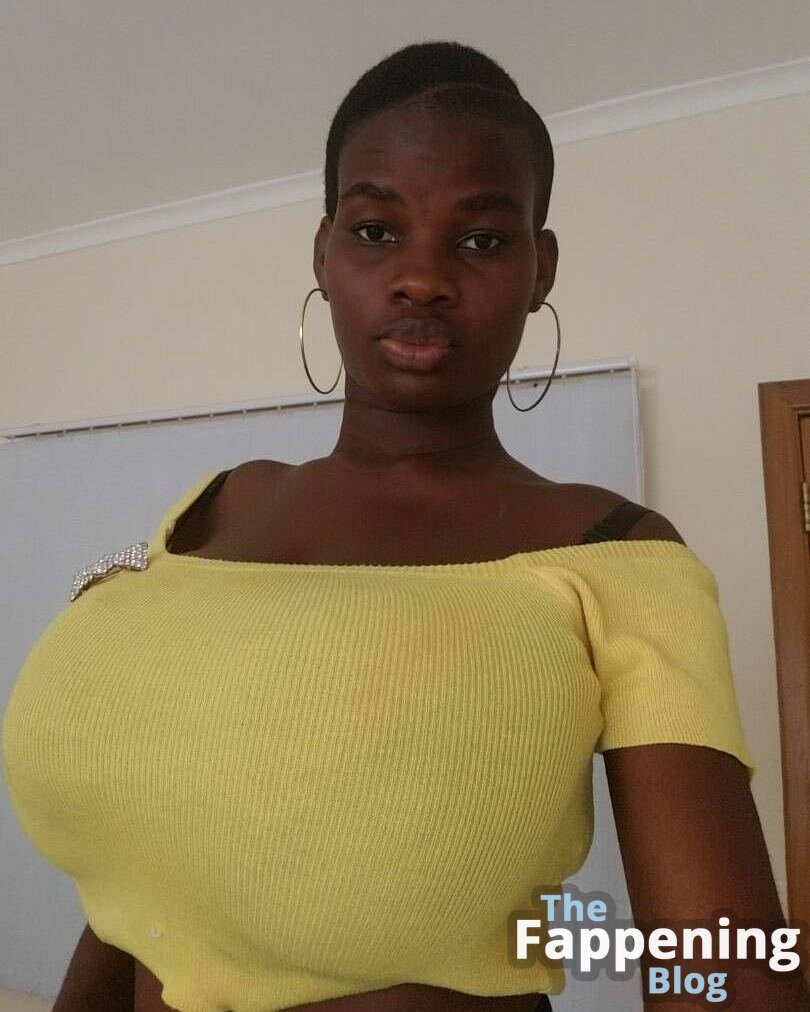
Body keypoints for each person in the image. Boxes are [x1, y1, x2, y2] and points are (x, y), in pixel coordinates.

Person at [3, 40, 808, 1012]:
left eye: (482, 240)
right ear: (324, 253)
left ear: (541, 269)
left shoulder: (613, 551)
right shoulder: (212, 509)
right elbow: (136, 891)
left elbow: (724, 963)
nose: (421, 277)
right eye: (377, 229)